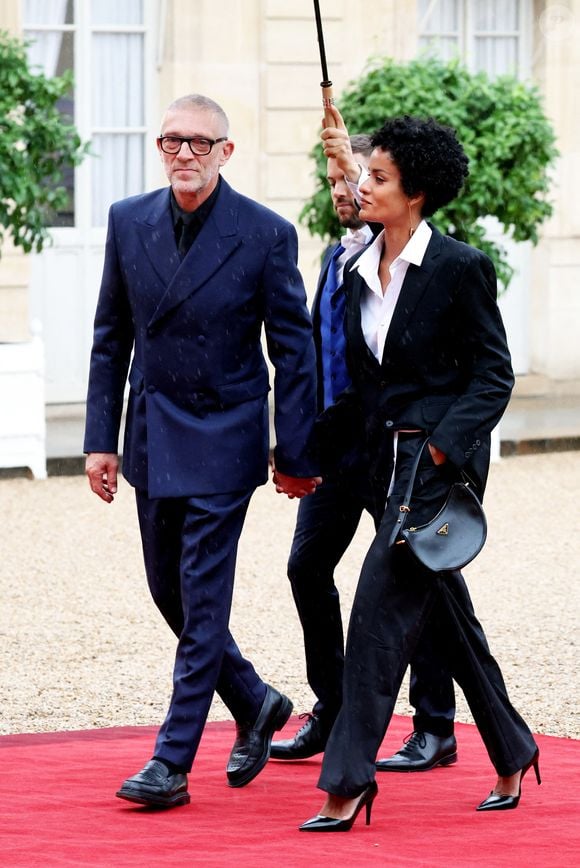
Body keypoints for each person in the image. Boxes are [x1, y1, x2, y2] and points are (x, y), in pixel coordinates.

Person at [299, 106, 540, 831]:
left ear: (417, 193)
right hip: (374, 463)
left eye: (380, 176)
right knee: (450, 621)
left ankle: (345, 783)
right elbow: (357, 375)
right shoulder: (352, 265)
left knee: (376, 611)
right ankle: (514, 748)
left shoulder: (461, 268)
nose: (362, 185)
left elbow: (493, 376)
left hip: (430, 473)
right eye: (364, 173)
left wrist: (439, 446)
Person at [84, 93, 321, 809]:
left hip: (226, 435)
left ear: (226, 152)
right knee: (169, 591)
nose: (184, 154)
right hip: (153, 432)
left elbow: (295, 352)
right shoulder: (128, 221)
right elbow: (109, 336)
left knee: (204, 596)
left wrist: (295, 451)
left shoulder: (266, 234)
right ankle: (254, 701)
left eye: (199, 143)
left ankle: (172, 760)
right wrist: (101, 440)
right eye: (172, 142)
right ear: (160, 149)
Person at [271, 136, 458, 772]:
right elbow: (311, 359)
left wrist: (441, 449)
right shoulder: (339, 259)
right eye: (333, 186)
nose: (342, 194)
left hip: (398, 450)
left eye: (352, 180)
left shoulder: (418, 263)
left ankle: (434, 724)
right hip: (335, 449)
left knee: (422, 578)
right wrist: (294, 441)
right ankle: (334, 707)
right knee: (305, 568)